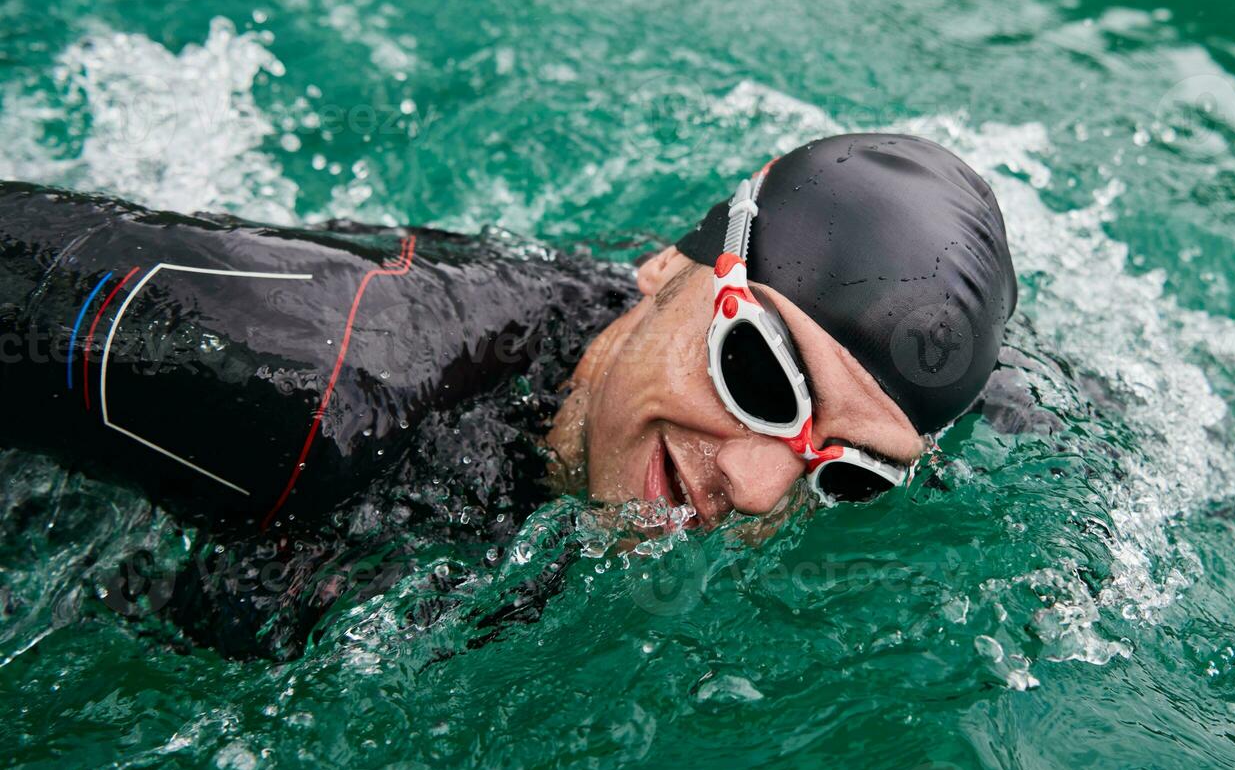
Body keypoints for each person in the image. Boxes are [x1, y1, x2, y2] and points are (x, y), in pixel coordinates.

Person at [0, 133, 1018, 656]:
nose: (757, 490)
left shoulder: (686, 357)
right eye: (760, 375)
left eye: (847, 474)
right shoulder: (309, 383)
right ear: (672, 264)